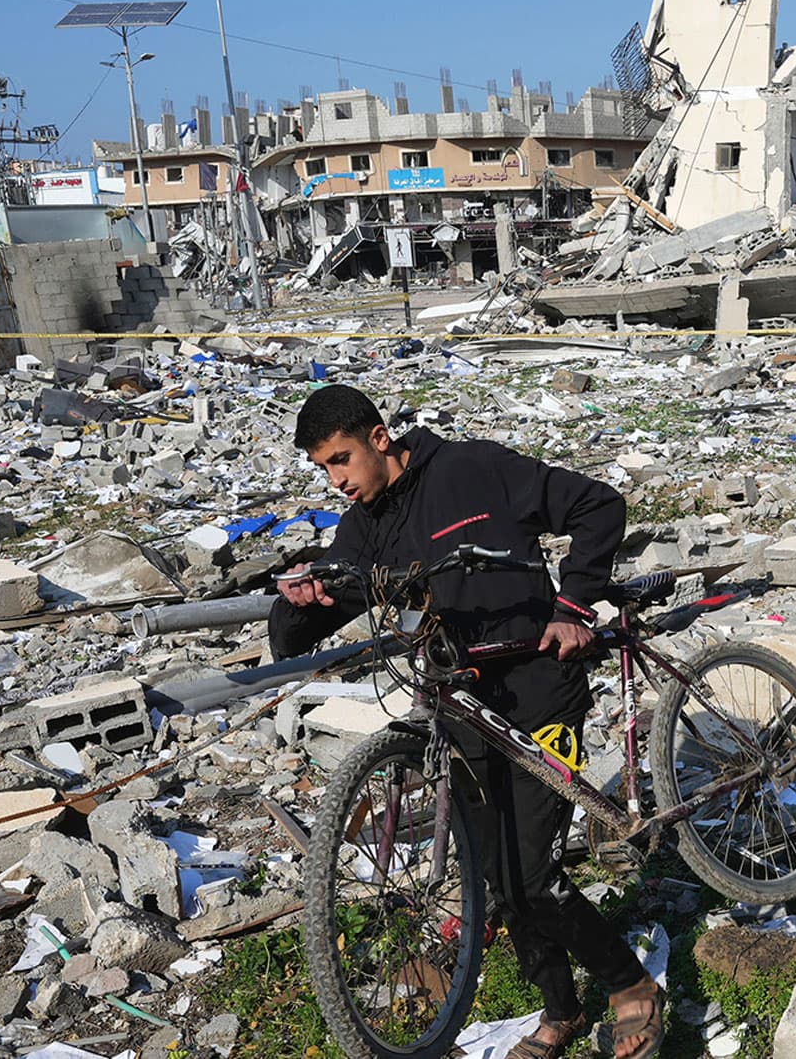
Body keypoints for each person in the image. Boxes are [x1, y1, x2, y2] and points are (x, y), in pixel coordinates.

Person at [275, 384, 662, 1059]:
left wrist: (572, 606)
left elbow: (598, 505)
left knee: (531, 871)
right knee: (494, 874)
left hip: (541, 690)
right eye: (323, 470)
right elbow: (322, 612)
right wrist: (300, 598)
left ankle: (631, 987)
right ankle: (560, 1007)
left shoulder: (474, 469)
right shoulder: (364, 528)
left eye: (341, 460)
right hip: (460, 706)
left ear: (379, 436)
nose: (337, 482)